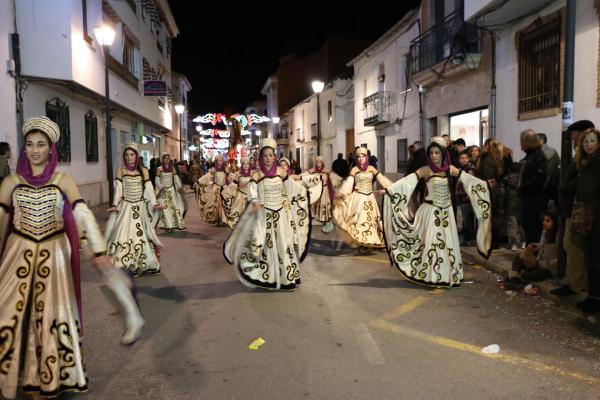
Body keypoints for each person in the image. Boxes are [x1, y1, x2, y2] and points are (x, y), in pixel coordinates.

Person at [0, 117, 143, 399]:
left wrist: (98, 251)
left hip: (54, 258)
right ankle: (17, 377)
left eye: (41, 144)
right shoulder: (11, 182)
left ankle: (45, 379)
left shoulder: (63, 180)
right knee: (11, 317)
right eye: (29, 144)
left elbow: (82, 215)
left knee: (51, 319)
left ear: (52, 149)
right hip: (17, 257)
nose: (34, 150)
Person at [383, 136, 492, 287]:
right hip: (429, 212)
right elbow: (407, 182)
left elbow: (468, 179)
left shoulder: (450, 169)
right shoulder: (425, 170)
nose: (434, 156)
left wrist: (485, 184)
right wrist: (388, 190)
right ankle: (430, 275)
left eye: (437, 153)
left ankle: (445, 275)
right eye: (431, 153)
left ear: (442, 154)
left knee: (447, 244)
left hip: (446, 214)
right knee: (430, 243)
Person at [223, 138, 310, 291]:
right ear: (261, 157)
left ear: (274, 156)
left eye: (271, 155)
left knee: (283, 245)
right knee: (263, 247)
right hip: (264, 216)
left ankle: (285, 279)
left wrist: (307, 183)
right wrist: (255, 201)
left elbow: (291, 189)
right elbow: (252, 192)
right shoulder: (256, 175)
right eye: (265, 156)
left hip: (281, 215)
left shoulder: (281, 172)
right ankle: (268, 277)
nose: (268, 158)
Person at [105, 142, 162, 276]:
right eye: (126, 155)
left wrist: (154, 203)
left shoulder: (144, 171)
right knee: (125, 236)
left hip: (140, 209)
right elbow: (118, 190)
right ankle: (127, 264)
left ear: (136, 156)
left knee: (140, 236)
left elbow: (148, 189)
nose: (129, 157)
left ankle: (145, 264)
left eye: (131, 154)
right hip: (126, 209)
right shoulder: (120, 171)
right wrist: (114, 204)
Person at [551, 120, 595, 297]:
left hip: (580, 211)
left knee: (574, 246)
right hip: (572, 208)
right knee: (569, 245)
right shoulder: (580, 155)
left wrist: (565, 188)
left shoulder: (588, 159)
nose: (572, 138)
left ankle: (576, 284)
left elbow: (581, 182)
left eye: (574, 134)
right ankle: (574, 281)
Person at [333, 147, 392, 252]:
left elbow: (381, 179)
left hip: (370, 198)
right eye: (359, 157)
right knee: (360, 220)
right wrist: (343, 192)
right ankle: (363, 243)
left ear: (366, 157)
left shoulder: (372, 168)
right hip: (359, 197)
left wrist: (389, 188)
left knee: (372, 221)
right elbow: (349, 183)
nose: (361, 159)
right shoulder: (354, 169)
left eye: (363, 156)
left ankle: (372, 242)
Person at [571, 128, 600, 313]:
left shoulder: (597, 163)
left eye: (592, 140)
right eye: (585, 141)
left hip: (597, 217)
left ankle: (596, 297)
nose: (588, 144)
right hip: (585, 216)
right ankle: (593, 296)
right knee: (589, 258)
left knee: (596, 259)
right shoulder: (584, 163)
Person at [518, 130, 547, 244]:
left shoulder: (536, 156)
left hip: (533, 198)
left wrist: (523, 187)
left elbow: (538, 178)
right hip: (529, 197)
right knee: (529, 226)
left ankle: (532, 255)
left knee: (533, 227)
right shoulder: (531, 155)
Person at [304, 156, 338, 234]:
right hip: (316, 191)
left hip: (325, 191)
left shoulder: (326, 171)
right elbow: (304, 177)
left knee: (324, 206)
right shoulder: (312, 170)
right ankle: (313, 221)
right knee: (315, 206)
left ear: (322, 162)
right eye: (317, 162)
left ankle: (326, 222)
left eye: (319, 162)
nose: (318, 163)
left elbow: (334, 179)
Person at [156, 153, 187, 232]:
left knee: (173, 208)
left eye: (168, 158)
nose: (166, 160)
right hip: (163, 191)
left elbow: (176, 178)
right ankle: (167, 226)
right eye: (165, 158)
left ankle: (172, 225)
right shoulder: (159, 169)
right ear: (162, 160)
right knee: (165, 209)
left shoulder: (172, 168)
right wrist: (161, 188)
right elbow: (157, 180)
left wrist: (180, 187)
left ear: (170, 160)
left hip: (171, 190)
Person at [196, 154, 228, 225]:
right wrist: (199, 181)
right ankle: (217, 219)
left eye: (221, 160)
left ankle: (223, 219)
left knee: (224, 204)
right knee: (216, 204)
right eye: (218, 160)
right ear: (216, 161)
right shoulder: (213, 170)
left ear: (223, 161)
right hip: (216, 189)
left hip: (224, 188)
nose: (220, 162)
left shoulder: (225, 169)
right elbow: (207, 176)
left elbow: (229, 178)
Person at [222, 157, 252, 229]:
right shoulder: (238, 174)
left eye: (247, 163)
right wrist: (226, 192)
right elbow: (233, 185)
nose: (246, 165)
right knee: (239, 216)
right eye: (244, 164)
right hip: (240, 198)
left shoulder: (253, 173)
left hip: (250, 198)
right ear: (241, 165)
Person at [456, 151, 476, 246]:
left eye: (465, 158)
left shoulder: (470, 169)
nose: (463, 160)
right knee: (466, 219)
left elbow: (470, 182)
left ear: (468, 159)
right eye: (461, 158)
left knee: (468, 219)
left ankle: (469, 239)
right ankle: (466, 238)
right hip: (462, 196)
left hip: (467, 196)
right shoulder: (461, 169)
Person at [537, 132, 560, 212]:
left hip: (542, 186)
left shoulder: (538, 154)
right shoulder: (554, 152)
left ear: (542, 141)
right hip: (553, 186)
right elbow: (558, 167)